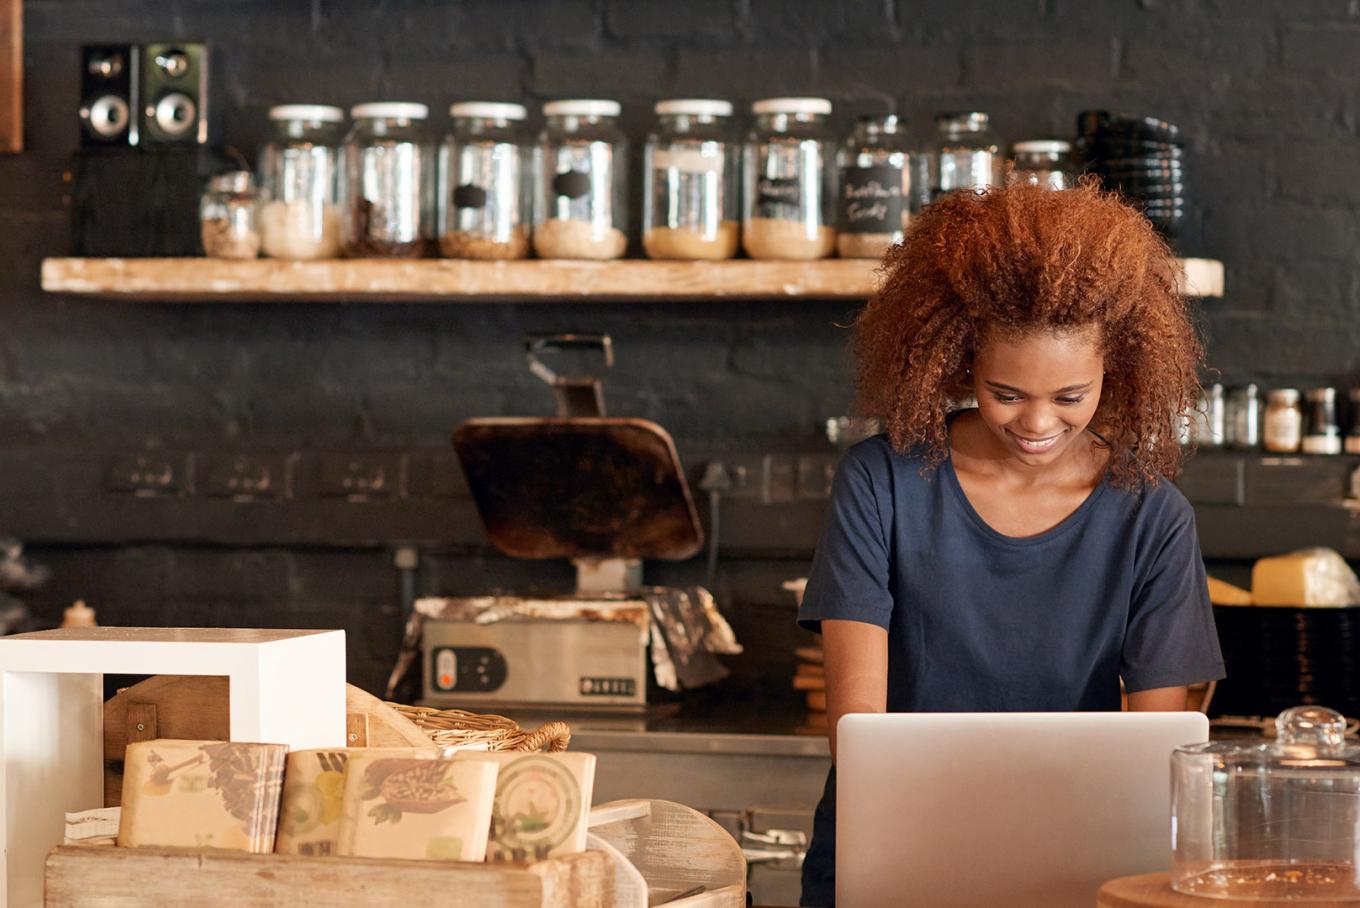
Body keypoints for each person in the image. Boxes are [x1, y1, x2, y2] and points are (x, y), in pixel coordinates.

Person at [796, 181, 1225, 907]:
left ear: (1115, 373)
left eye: (1069, 397)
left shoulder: (1153, 518)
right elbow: (858, 733)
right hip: (888, 860)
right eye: (1006, 393)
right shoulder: (881, 483)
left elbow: (1158, 765)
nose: (1037, 423)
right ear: (961, 362)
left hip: (1079, 871)